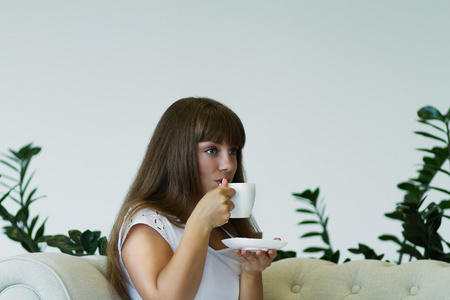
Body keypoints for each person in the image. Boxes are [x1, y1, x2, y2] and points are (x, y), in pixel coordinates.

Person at [107, 97, 278, 300]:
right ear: (177, 154)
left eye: (233, 151)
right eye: (212, 150)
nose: (229, 165)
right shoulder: (147, 225)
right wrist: (200, 222)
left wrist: (251, 272)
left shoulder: (228, 230)